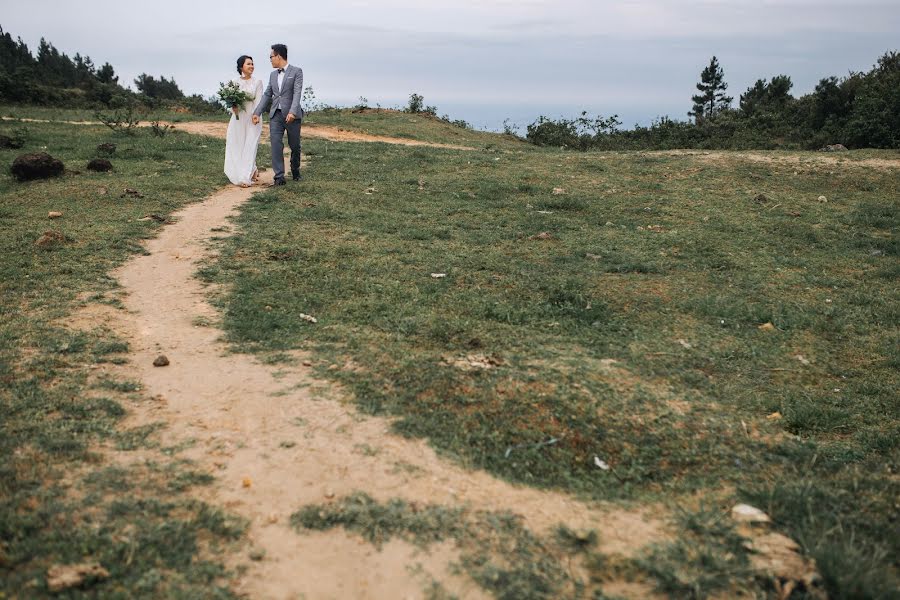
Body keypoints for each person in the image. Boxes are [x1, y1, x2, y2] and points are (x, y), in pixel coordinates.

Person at [252, 43, 304, 186]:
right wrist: (257, 112)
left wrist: (293, 111)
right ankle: (279, 177)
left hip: (292, 116)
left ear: (279, 56)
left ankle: (295, 169)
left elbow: (297, 92)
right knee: (275, 144)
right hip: (276, 115)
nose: (270, 60)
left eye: (271, 57)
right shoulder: (272, 75)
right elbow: (268, 94)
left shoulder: (296, 71)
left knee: (295, 145)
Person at [224, 55, 264, 187]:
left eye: (252, 64)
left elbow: (259, 101)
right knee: (238, 144)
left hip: (253, 118)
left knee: (250, 145)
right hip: (238, 118)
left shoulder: (258, 82)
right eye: (248, 64)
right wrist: (232, 108)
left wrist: (256, 115)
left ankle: (244, 177)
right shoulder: (233, 82)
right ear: (241, 66)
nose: (252, 66)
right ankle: (251, 169)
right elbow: (229, 102)